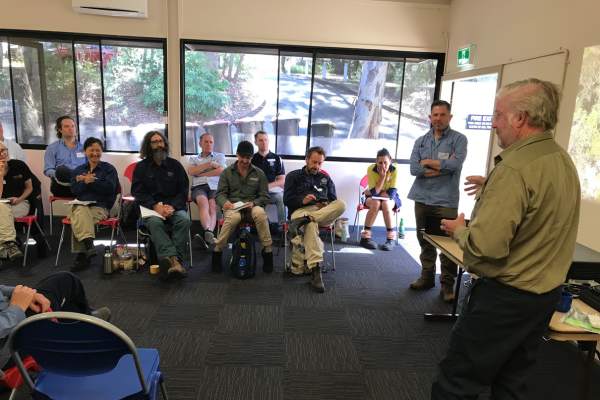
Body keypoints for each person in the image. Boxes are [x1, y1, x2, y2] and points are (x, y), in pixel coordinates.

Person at [431, 79, 581, 400]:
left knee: (457, 383)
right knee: (512, 383)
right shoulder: (560, 160)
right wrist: (495, 191)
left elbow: (487, 246)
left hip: (504, 299)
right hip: (543, 298)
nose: (495, 123)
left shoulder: (514, 169)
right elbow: (540, 216)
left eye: (499, 115)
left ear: (520, 118)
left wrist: (459, 229)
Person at [407, 100, 468, 303]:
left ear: (450, 117)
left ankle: (447, 285)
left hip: (445, 201)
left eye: (442, 115)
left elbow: (455, 164)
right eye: (435, 115)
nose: (438, 119)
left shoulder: (459, 140)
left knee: (447, 244)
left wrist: (427, 163)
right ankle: (426, 277)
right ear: (430, 117)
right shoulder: (421, 141)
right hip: (422, 198)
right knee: (424, 240)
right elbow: (413, 169)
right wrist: (439, 167)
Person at [0, 272, 111, 371]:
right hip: (7, 338)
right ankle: (85, 331)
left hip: (8, 314)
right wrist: (17, 307)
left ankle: (82, 324)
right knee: (66, 282)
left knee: (61, 281)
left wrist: (22, 293)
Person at [284, 146, 346, 293]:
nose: (316, 166)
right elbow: (287, 200)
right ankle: (316, 269)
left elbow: (333, 201)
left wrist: (325, 204)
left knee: (342, 204)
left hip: (321, 213)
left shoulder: (326, 178)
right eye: (314, 162)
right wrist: (303, 201)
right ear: (306, 159)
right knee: (311, 225)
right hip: (300, 211)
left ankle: (307, 220)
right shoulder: (293, 176)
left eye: (320, 163)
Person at [131, 131, 190, 279]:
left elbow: (183, 190)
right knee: (155, 223)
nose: (158, 145)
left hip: (173, 208)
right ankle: (175, 261)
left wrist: (173, 207)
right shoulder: (141, 167)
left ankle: (171, 260)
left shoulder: (175, 165)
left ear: (165, 144)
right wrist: (155, 206)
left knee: (184, 220)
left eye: (161, 141)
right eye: (154, 142)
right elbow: (137, 192)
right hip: (151, 210)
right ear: (148, 146)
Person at [211, 141, 273, 273]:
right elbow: (219, 194)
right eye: (242, 157)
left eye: (248, 158)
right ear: (237, 155)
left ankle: (267, 251)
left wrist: (255, 203)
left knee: (261, 214)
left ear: (252, 157)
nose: (245, 160)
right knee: (232, 219)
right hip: (233, 206)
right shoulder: (227, 173)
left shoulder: (259, 173)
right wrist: (225, 203)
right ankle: (217, 251)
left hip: (252, 207)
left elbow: (265, 196)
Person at [69, 137, 118, 272]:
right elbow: (74, 190)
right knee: (80, 210)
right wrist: (84, 182)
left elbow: (110, 188)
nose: (95, 153)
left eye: (98, 150)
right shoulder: (78, 170)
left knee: (78, 216)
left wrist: (92, 181)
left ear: (102, 151)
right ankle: (88, 246)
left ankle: (83, 253)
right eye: (91, 150)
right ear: (85, 151)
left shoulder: (109, 169)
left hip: (100, 208)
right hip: (80, 205)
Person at [0, 142, 49, 261]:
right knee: (2, 207)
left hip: (20, 203)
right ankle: (9, 244)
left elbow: (30, 188)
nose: (3, 153)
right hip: (2, 205)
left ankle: (7, 245)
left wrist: (19, 199)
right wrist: (1, 176)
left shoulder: (18, 165)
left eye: (4, 150)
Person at [359, 148, 401, 251]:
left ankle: (390, 239)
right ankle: (365, 238)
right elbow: (374, 193)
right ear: (376, 162)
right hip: (374, 198)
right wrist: (382, 177)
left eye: (385, 162)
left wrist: (376, 191)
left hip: (389, 198)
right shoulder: (371, 169)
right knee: (376, 204)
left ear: (390, 160)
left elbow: (391, 193)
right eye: (380, 163)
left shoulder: (395, 169)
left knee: (386, 204)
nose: (383, 166)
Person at [187, 132, 226, 247]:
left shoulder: (220, 156)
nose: (209, 144)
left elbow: (221, 171)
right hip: (198, 187)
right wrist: (209, 164)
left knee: (212, 205)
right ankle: (209, 235)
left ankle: (208, 233)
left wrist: (201, 173)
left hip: (214, 186)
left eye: (211, 142)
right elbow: (191, 171)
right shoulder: (194, 158)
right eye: (206, 142)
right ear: (200, 143)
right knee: (203, 203)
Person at [43, 116, 86, 198]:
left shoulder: (84, 148)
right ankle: (75, 177)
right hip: (62, 185)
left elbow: (90, 167)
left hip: (81, 184)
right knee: (61, 169)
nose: (71, 129)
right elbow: (48, 170)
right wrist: (59, 174)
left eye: (73, 126)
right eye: (67, 126)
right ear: (60, 130)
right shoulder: (52, 148)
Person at [251, 131, 286, 228]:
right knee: (256, 209)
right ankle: (266, 226)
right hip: (257, 194)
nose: (264, 142)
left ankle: (283, 229)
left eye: (266, 140)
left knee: (281, 198)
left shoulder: (277, 158)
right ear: (256, 142)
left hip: (272, 193)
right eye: (261, 140)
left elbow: (282, 180)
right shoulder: (252, 159)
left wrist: (267, 186)